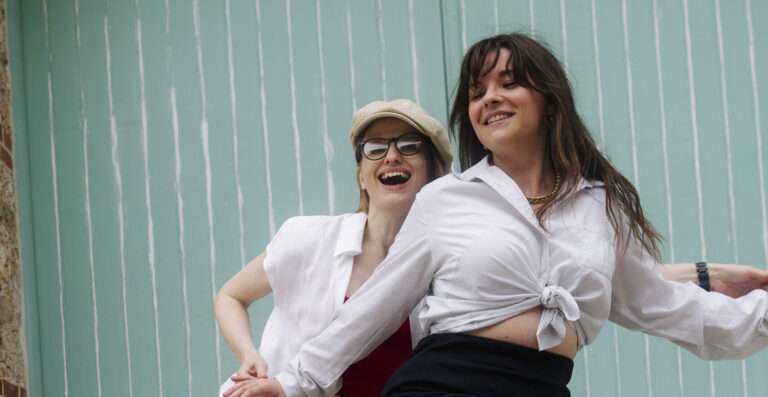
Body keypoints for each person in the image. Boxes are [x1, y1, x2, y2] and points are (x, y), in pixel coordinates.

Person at [233, 33, 768, 397]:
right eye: (476, 91)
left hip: (541, 383)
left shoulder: (599, 205)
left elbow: (662, 304)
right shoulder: (447, 200)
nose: (490, 98)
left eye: (508, 83)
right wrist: (293, 382)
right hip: (445, 380)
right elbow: (373, 308)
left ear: (549, 99)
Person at [216, 99, 453, 397]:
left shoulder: (451, 265)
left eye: (409, 145)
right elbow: (231, 296)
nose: (392, 155)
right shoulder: (307, 239)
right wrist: (248, 354)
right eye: (376, 148)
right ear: (361, 178)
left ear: (433, 173)